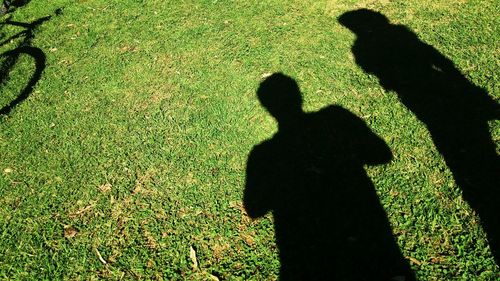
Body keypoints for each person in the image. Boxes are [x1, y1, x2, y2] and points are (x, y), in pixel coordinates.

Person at [244, 73, 415, 280]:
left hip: (308, 253)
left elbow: (254, 208)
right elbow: (381, 154)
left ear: (268, 109)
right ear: (299, 96)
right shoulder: (335, 117)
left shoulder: (263, 154)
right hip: (365, 237)